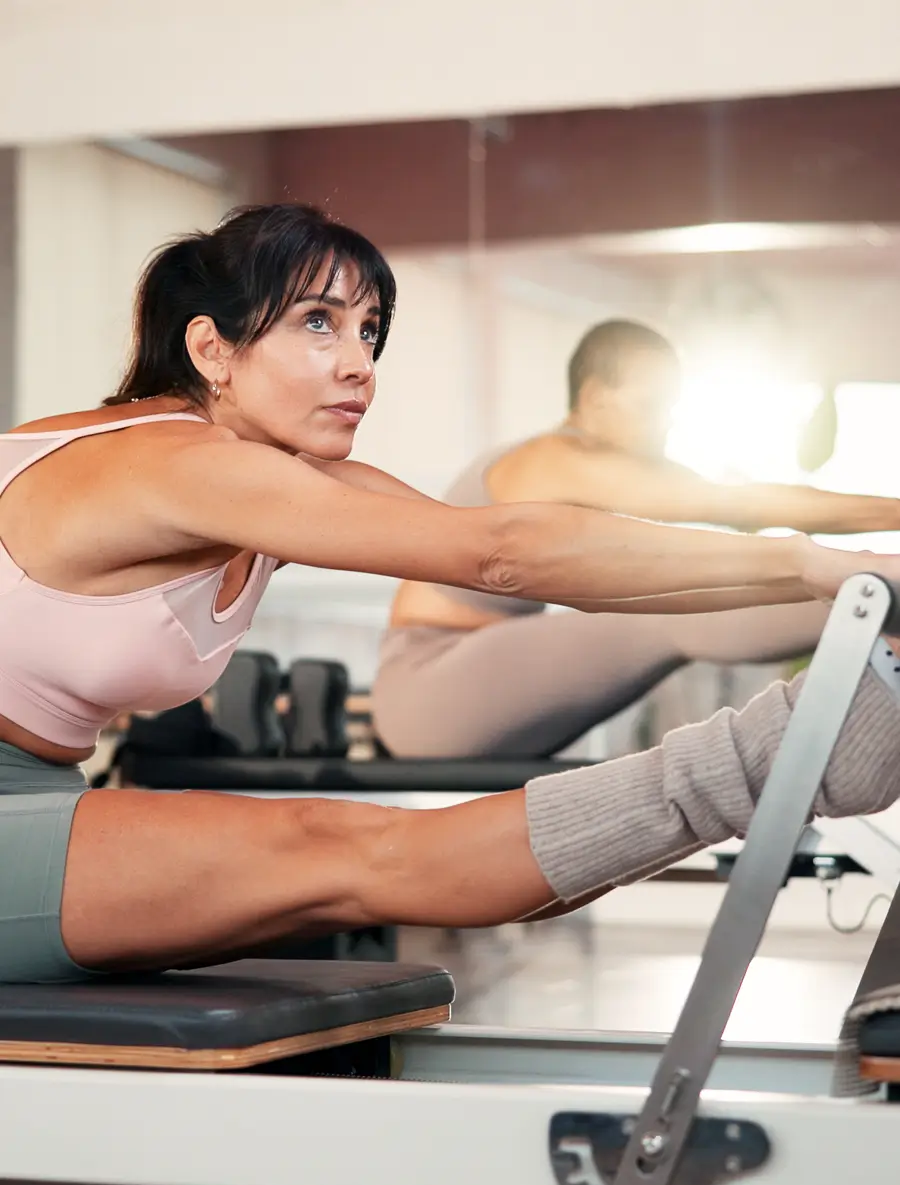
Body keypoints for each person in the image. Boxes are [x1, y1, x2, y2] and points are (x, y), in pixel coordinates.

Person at [1, 202, 900, 986]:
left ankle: (801, 748)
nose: (360, 364)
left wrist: (845, 573)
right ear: (212, 348)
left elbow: (541, 561)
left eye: (369, 330)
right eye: (319, 323)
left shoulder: (267, 471)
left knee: (362, 855)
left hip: (42, 787)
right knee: (349, 854)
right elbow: (504, 554)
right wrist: (818, 565)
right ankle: (791, 755)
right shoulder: (179, 464)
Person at [373, 319, 900, 757]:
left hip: (459, 691)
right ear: (598, 399)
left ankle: (877, 589)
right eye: (652, 407)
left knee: (670, 590)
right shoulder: (554, 461)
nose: (666, 424)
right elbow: (742, 504)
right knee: (665, 608)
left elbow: (738, 505)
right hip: (427, 687)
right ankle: (882, 591)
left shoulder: (590, 465)